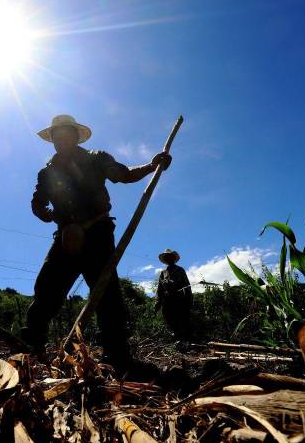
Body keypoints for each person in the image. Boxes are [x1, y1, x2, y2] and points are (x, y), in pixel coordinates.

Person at [21, 114, 172, 371]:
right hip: (66, 236)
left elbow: (125, 175)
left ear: (75, 135)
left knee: (107, 294)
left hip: (98, 233)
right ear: (53, 140)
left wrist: (151, 166)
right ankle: (32, 348)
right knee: (46, 289)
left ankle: (118, 355)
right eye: (56, 136)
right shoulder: (47, 172)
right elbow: (38, 202)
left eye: (65, 134)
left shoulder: (96, 158)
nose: (61, 140)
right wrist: (42, 213)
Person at [155, 249, 192, 341]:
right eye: (167, 257)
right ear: (165, 260)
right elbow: (160, 289)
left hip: (179, 299)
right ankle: (175, 340)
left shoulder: (180, 270)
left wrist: (189, 299)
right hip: (167, 301)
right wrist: (157, 303)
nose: (168, 259)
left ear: (173, 258)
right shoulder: (163, 273)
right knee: (170, 320)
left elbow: (187, 285)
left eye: (170, 257)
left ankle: (183, 340)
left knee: (181, 320)